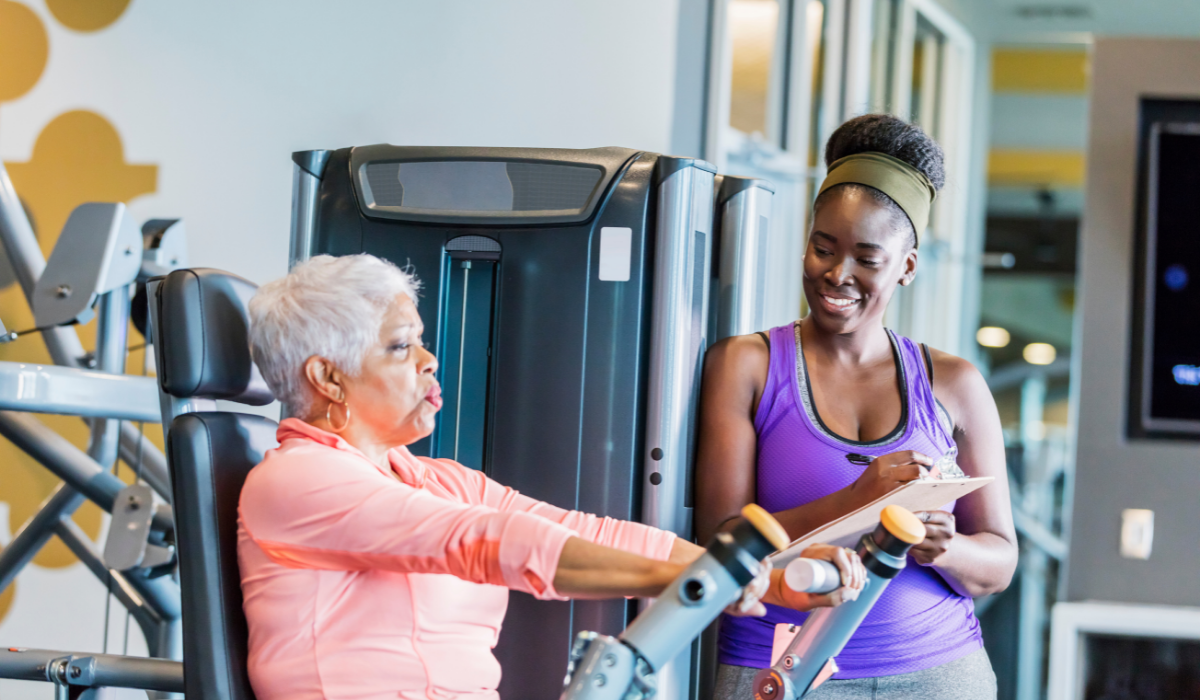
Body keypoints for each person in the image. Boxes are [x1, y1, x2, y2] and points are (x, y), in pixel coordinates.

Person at [238, 253, 865, 700]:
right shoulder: (295, 482)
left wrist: (769, 581)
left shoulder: (436, 480)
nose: (430, 361)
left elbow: (587, 533)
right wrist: (712, 578)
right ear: (327, 378)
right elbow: (484, 543)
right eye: (402, 347)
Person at [695, 114, 1017, 700]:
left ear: (907, 267)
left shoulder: (955, 383)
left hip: (940, 673)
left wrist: (947, 548)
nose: (836, 274)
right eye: (823, 248)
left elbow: (998, 562)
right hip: (780, 671)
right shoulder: (747, 365)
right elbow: (718, 540)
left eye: (867, 259)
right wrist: (861, 502)